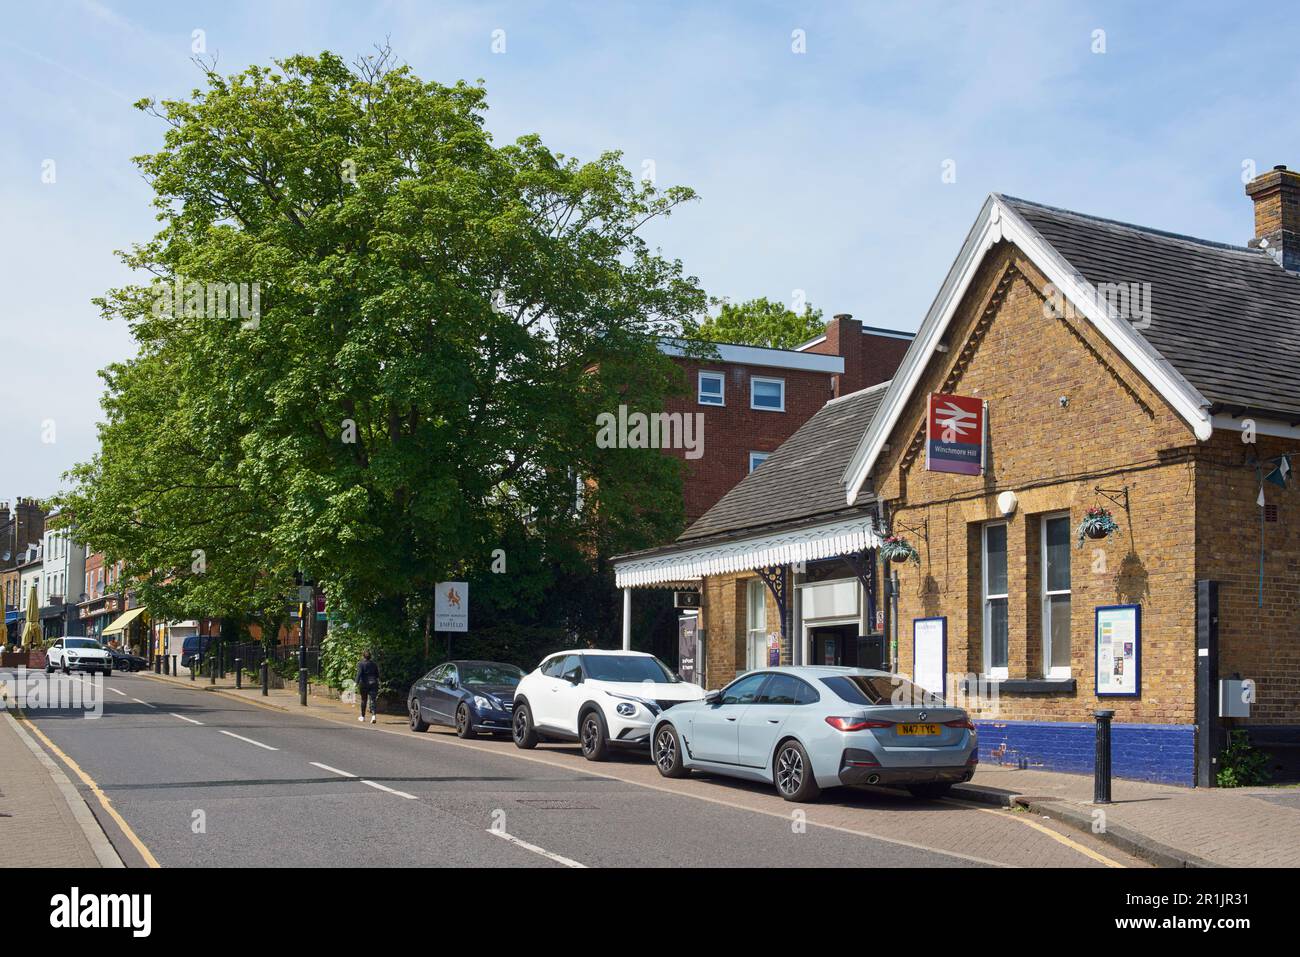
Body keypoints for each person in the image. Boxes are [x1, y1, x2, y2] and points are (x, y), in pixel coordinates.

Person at [355, 650, 380, 724]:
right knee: (373, 700)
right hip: (374, 683)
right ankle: (373, 716)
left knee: (364, 700)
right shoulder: (374, 664)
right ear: (370, 656)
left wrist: (356, 683)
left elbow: (359, 674)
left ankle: (362, 717)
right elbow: (377, 675)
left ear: (363, 656)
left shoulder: (360, 664)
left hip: (364, 683)